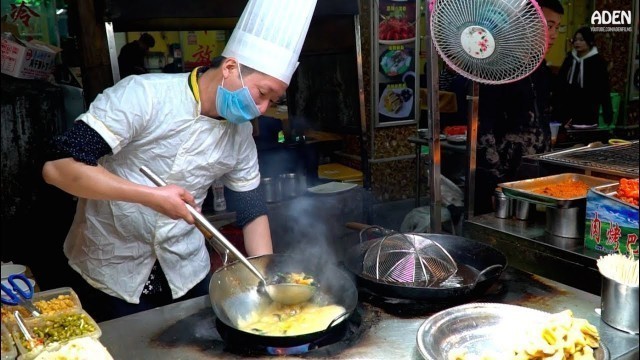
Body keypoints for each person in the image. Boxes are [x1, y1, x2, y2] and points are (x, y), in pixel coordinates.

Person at [41, 0, 318, 322]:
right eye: (261, 93)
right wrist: (151, 196)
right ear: (230, 68)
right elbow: (58, 167)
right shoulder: (144, 96)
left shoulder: (239, 134)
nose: (262, 109)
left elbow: (252, 210)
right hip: (110, 268)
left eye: (273, 100)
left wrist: (266, 281)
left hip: (186, 270)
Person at [474, 0, 564, 215]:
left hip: (534, 173)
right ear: (527, 24)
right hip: (503, 178)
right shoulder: (498, 67)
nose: (553, 35)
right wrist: (495, 182)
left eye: (557, 27)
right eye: (548, 25)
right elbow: (482, 129)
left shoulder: (540, 68)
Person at [553, 27, 613, 127]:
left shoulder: (597, 62)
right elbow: (560, 83)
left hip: (588, 112)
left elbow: (604, 88)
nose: (577, 43)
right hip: (567, 112)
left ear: (589, 41)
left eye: (581, 40)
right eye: (575, 40)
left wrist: (607, 113)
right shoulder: (569, 59)